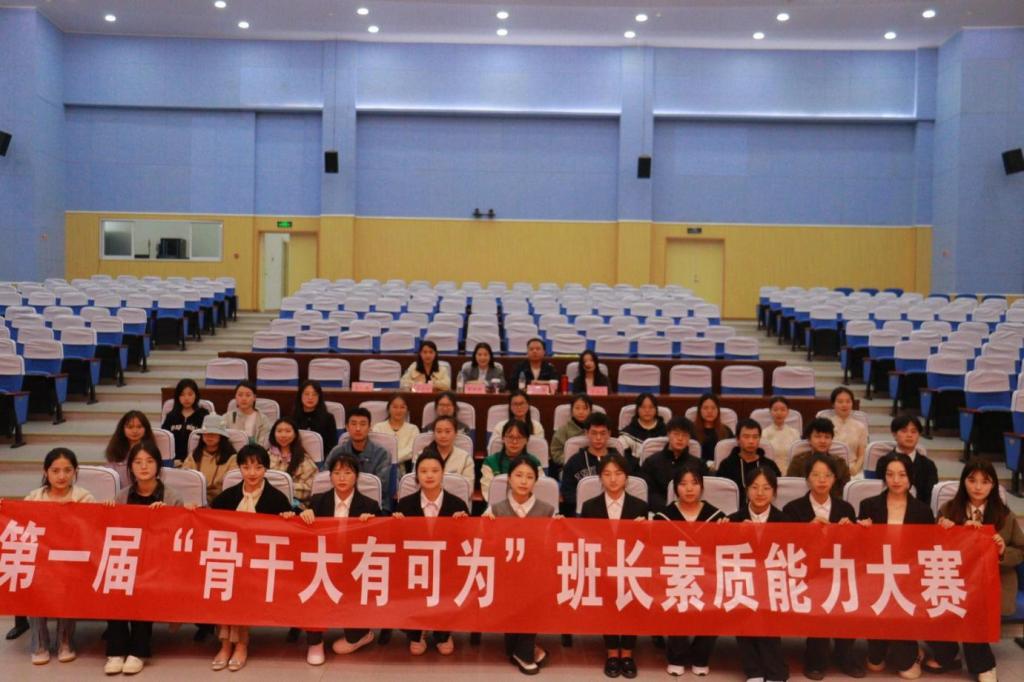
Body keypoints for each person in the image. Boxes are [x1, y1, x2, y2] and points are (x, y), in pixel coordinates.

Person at [926, 457, 1023, 682]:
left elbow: (1020, 551)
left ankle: (975, 662)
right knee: (945, 601)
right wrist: (947, 532)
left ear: (993, 485)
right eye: (972, 480)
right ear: (963, 482)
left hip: (993, 580)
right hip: (955, 579)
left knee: (973, 606)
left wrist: (1001, 551)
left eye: (985, 481)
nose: (978, 487)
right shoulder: (948, 510)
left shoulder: (1004, 515)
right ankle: (954, 654)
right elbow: (931, 550)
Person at [102, 441, 189, 675]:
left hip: (158, 563)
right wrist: (108, 511)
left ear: (158, 465)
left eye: (149, 461)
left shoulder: (172, 497)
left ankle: (138, 650)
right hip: (127, 559)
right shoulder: (122, 495)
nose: (144, 467)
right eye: (138, 462)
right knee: (115, 583)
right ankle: (116, 650)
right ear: (130, 467)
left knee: (144, 586)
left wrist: (166, 516)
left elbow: (178, 536)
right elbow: (112, 533)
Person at [209, 444, 294, 671]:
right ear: (239, 469)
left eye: (258, 467)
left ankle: (240, 645)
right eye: (246, 467)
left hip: (260, 564)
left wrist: (288, 517)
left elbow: (290, 530)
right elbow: (207, 519)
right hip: (231, 561)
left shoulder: (276, 499)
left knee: (242, 586)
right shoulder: (228, 497)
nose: (252, 473)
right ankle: (225, 644)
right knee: (226, 581)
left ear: (266, 469)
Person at [781, 453, 864, 680]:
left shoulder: (845, 508)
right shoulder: (792, 509)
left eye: (827, 475)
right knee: (820, 595)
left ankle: (844, 655)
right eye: (816, 475)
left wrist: (849, 531)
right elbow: (786, 548)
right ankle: (816, 658)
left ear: (835, 479)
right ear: (807, 478)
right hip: (805, 574)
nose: (821, 480)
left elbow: (853, 550)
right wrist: (806, 531)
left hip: (837, 572)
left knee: (850, 593)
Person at [297, 453, 383, 665]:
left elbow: (384, 538)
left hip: (355, 568)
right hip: (324, 564)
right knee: (313, 585)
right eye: (336, 473)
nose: (342, 478)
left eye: (347, 472)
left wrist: (372, 523)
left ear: (356, 476)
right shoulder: (318, 501)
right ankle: (315, 642)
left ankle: (360, 634)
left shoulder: (370, 505)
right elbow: (303, 535)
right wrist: (304, 516)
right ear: (330, 477)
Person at [857, 453, 935, 680]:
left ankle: (911, 652)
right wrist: (861, 532)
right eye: (890, 474)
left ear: (910, 477)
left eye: (902, 474)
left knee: (909, 672)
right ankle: (882, 647)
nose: (896, 480)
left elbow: (928, 551)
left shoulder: (923, 511)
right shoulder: (869, 505)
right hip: (876, 579)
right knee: (875, 665)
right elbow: (859, 551)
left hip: (908, 582)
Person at [21, 448, 95, 665]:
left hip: (72, 561)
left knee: (67, 580)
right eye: (55, 471)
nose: (62, 476)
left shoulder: (85, 498)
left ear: (75, 471)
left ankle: (65, 640)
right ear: (45, 472)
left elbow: (93, 531)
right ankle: (39, 641)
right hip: (41, 562)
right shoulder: (33, 498)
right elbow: (20, 527)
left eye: (67, 470)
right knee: (32, 579)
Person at [580, 453, 649, 679]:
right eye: (607, 474)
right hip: (602, 567)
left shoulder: (640, 506)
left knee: (632, 604)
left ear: (626, 477)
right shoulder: (590, 507)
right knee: (607, 605)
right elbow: (582, 538)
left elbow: (647, 544)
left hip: (631, 567)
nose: (613, 479)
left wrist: (647, 528)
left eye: (618, 474)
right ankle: (611, 652)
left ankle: (627, 653)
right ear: (600, 477)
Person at [394, 451, 469, 656]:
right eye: (424, 471)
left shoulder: (457, 505)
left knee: (452, 582)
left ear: (443, 473)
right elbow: (397, 546)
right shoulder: (405, 504)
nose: (429, 475)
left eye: (435, 470)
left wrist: (463, 525)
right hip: (415, 568)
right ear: (417, 475)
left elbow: (466, 546)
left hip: (446, 567)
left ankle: (443, 632)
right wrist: (397, 525)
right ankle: (416, 631)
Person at [483, 456, 554, 675]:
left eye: (529, 477)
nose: (524, 481)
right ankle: (525, 649)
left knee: (531, 590)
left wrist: (559, 527)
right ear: (509, 479)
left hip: (535, 575)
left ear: (536, 481)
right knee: (514, 593)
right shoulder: (495, 510)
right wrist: (486, 527)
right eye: (519, 475)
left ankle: (524, 652)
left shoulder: (547, 510)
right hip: (504, 576)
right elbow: (486, 546)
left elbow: (551, 547)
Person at [653, 462, 723, 676]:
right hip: (676, 577)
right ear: (675, 488)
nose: (689, 488)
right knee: (675, 597)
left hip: (708, 578)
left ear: (702, 486)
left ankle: (701, 656)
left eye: (694, 483)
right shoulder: (663, 517)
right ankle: (677, 656)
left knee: (716, 600)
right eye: (683, 484)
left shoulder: (717, 516)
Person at [729, 466, 789, 682]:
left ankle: (774, 672)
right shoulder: (733, 519)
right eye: (754, 487)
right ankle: (754, 671)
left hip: (774, 582)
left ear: (774, 491)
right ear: (746, 490)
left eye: (766, 488)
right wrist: (733, 533)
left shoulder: (785, 520)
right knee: (744, 608)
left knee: (765, 614)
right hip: (742, 581)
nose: (760, 493)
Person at [560, 412, 631, 515]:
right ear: (586, 433)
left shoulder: (620, 461)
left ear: (609, 434)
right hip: (583, 511)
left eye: (603, 433)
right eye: (594, 433)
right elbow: (567, 492)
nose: (598, 438)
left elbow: (627, 487)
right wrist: (590, 505)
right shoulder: (574, 461)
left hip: (615, 509)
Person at [326, 407, 392, 511]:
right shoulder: (336, 452)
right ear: (347, 427)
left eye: (362, 424)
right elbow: (326, 478)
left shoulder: (382, 453)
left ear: (369, 427)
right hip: (341, 502)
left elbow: (380, 487)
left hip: (374, 505)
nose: (358, 428)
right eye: (353, 424)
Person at [640, 416, 707, 512]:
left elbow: (701, 493)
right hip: (659, 512)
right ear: (668, 434)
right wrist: (668, 510)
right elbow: (648, 492)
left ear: (689, 438)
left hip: (690, 511)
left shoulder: (699, 464)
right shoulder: (651, 462)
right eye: (676, 434)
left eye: (684, 435)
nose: (680, 438)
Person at [715, 418, 781, 508]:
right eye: (746, 437)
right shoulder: (726, 465)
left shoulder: (770, 465)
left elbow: (775, 493)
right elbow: (720, 495)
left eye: (755, 437)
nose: (751, 441)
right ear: (738, 439)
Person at [874, 415, 938, 506]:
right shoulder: (883, 462)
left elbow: (930, 498)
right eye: (904, 431)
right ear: (894, 434)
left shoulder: (928, 465)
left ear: (919, 435)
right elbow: (880, 493)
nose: (909, 435)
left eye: (914, 431)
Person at [182, 414, 238, 504]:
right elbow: (185, 478)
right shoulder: (194, 455)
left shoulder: (232, 458)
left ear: (221, 436)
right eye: (206, 433)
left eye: (214, 433)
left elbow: (231, 488)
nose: (209, 436)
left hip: (221, 501)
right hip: (195, 499)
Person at [787, 418, 850, 497]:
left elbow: (845, 491)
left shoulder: (839, 462)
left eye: (827, 437)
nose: (823, 441)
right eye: (818, 436)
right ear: (809, 439)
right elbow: (792, 488)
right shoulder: (798, 461)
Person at [480, 420, 541, 500]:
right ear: (503, 438)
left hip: (527, 505)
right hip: (497, 505)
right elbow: (488, 492)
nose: (514, 442)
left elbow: (539, 489)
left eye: (519, 437)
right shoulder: (490, 461)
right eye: (510, 437)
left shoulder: (534, 462)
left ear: (526, 440)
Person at [267, 417, 318, 507]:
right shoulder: (266, 456)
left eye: (288, 431)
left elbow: (310, 488)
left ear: (295, 434)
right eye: (279, 431)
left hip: (294, 505)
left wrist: (285, 487)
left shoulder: (304, 459)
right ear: (273, 434)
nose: (283, 435)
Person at [161, 378, 210, 462]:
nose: (186, 398)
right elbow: (164, 438)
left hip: (196, 461)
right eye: (182, 395)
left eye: (190, 394)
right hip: (174, 462)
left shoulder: (203, 415)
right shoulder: (171, 416)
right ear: (177, 397)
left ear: (196, 395)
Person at [422, 415, 475, 490]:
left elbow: (468, 488)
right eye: (439, 431)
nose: (443, 435)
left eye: (447, 431)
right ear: (434, 434)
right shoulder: (423, 455)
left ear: (455, 433)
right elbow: (417, 482)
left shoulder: (465, 458)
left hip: (456, 497)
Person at [104, 410, 155, 487]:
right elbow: (109, 477)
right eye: (130, 427)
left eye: (139, 427)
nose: (135, 431)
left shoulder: (152, 450)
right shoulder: (115, 450)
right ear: (123, 429)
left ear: (146, 429)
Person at [371, 394, 420, 470]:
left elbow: (412, 450)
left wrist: (393, 459)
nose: (398, 410)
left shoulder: (413, 429)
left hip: (406, 468)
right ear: (388, 409)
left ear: (407, 410)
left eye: (402, 407)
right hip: (381, 466)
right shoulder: (378, 427)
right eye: (395, 407)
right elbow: (377, 449)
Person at [828, 386, 868, 476]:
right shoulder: (826, 424)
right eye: (840, 402)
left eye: (848, 401)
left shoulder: (860, 427)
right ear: (833, 404)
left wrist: (856, 468)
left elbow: (861, 455)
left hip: (852, 468)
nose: (844, 405)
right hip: (829, 468)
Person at [551, 394, 593, 477]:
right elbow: (555, 452)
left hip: (592, 467)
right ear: (571, 411)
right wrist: (570, 461)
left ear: (590, 411)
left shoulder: (595, 430)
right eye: (577, 408)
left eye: (585, 408)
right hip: (569, 468)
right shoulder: (563, 430)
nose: (581, 412)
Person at [221, 380, 271, 446]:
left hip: (256, 451)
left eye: (248, 395)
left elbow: (264, 444)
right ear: (235, 397)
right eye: (240, 395)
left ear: (254, 398)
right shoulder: (226, 417)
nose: (244, 398)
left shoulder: (263, 419)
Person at [618, 392, 667, 460]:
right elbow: (622, 457)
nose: (647, 410)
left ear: (656, 409)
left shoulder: (666, 432)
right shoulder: (627, 434)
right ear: (637, 409)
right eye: (643, 407)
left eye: (651, 407)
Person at [293, 379, 338, 451]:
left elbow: (332, 447)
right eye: (307, 394)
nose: (310, 397)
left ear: (319, 397)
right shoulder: (292, 418)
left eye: (314, 394)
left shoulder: (328, 418)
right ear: (300, 396)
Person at [760, 396, 800, 472]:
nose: (779, 413)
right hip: (769, 472)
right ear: (770, 411)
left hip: (791, 473)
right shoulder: (763, 434)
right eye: (775, 410)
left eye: (783, 410)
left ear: (788, 412)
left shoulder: (795, 433)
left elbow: (797, 459)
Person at [691, 393, 733, 463]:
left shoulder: (726, 431)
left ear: (718, 410)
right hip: (697, 467)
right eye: (705, 408)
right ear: (699, 410)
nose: (709, 411)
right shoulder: (691, 430)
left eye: (713, 408)